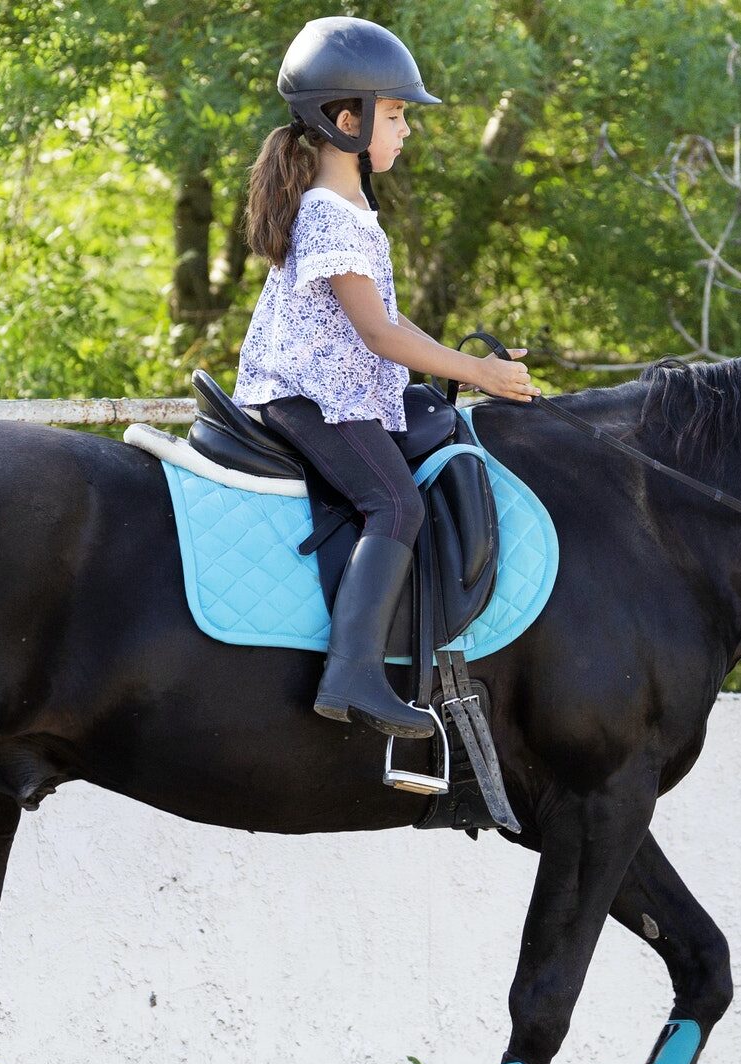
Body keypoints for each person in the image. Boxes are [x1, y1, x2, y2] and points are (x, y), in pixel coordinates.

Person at [234, 15, 541, 740]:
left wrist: (469, 371)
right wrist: (480, 373)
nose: (406, 130)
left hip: (335, 389)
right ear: (347, 120)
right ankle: (353, 675)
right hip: (309, 398)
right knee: (395, 506)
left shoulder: (350, 208)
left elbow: (393, 327)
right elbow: (377, 333)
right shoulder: (330, 216)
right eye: (396, 114)